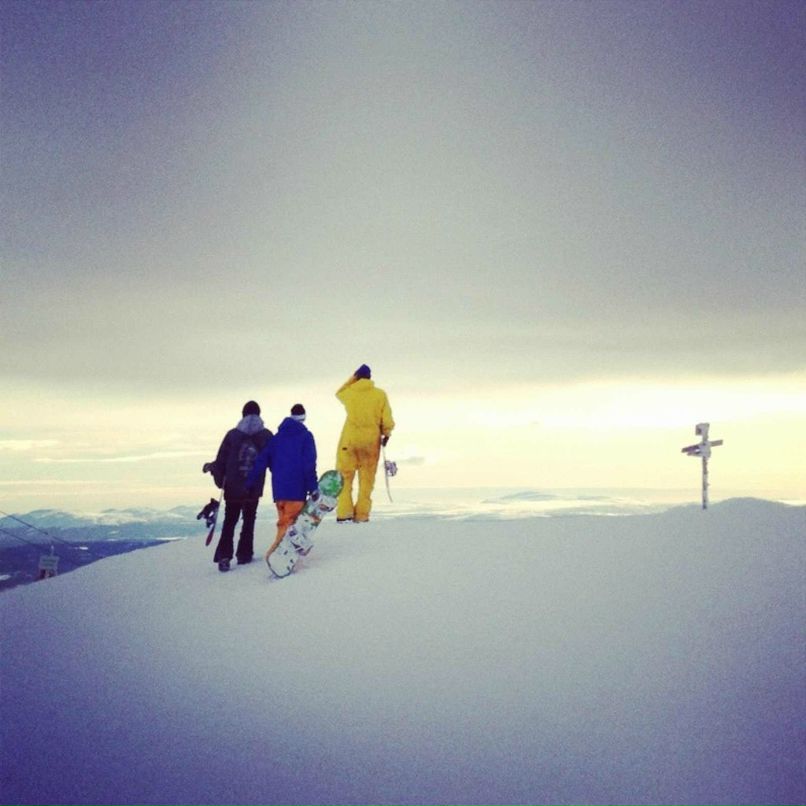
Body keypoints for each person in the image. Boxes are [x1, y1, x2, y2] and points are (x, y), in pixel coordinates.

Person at [203, 401, 272, 572]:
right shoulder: (266, 436)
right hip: (253, 487)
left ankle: (225, 556)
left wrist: (216, 473)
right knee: (249, 520)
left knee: (229, 521)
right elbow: (274, 460)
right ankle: (244, 555)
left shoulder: (232, 435)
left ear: (242, 414)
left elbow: (221, 461)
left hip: (233, 487)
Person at [248, 403, 319, 561]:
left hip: (279, 492)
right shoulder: (306, 437)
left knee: (284, 523)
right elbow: (309, 464)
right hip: (296, 490)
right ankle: (276, 557)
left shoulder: (276, 439)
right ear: (303, 418)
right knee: (289, 526)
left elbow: (261, 461)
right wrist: (313, 487)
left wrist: (249, 482)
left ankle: (285, 554)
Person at [335, 364, 394, 523]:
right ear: (370, 377)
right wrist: (386, 433)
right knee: (367, 481)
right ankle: (361, 515)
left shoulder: (350, 392)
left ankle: (344, 514)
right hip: (370, 443)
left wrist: (352, 379)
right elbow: (387, 418)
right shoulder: (380, 395)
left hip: (350, 441)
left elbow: (338, 392)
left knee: (345, 478)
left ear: (357, 377)